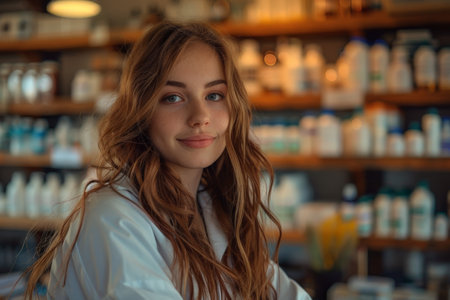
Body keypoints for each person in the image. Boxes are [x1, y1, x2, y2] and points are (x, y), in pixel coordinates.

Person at [24, 21, 311, 300]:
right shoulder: (113, 219)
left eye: (214, 95)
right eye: (173, 97)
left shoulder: (212, 208)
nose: (200, 117)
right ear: (141, 111)